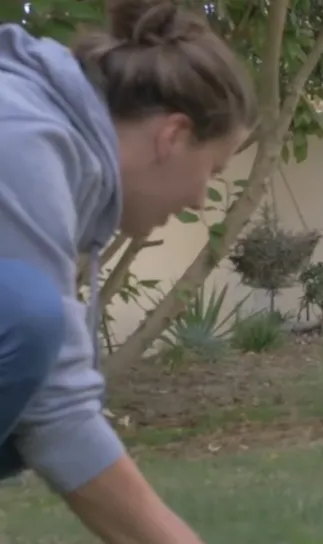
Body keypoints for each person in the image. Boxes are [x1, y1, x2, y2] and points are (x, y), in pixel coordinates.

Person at [0, 0, 256, 541]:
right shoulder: (21, 141)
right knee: (25, 317)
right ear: (172, 136)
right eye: (211, 170)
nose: (199, 197)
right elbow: (58, 413)